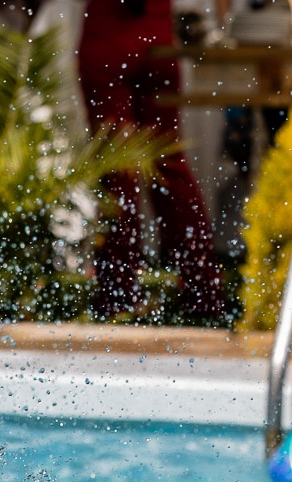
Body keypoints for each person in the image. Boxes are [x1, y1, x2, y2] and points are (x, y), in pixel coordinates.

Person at [78, 0, 225, 319]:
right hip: (157, 37)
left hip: (108, 34)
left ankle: (120, 294)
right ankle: (203, 291)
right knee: (170, 168)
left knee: (118, 170)